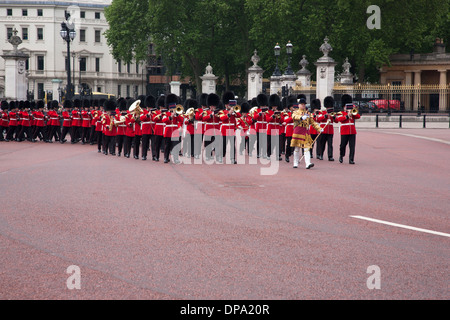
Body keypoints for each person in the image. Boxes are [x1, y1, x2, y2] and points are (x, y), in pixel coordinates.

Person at [290, 98, 323, 169]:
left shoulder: (308, 113)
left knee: (307, 148)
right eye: (302, 104)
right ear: (299, 105)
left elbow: (313, 122)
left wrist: (319, 128)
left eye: (304, 104)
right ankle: (295, 163)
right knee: (297, 148)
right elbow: (294, 117)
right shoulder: (296, 112)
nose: (303, 106)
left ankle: (308, 163)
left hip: (305, 132)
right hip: (298, 131)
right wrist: (301, 117)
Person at [336, 94, 360, 164]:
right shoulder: (341, 113)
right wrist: (347, 116)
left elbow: (358, 116)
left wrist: (352, 113)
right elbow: (339, 119)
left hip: (352, 131)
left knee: (352, 146)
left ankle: (351, 159)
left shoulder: (352, 113)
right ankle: (341, 155)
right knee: (343, 145)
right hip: (344, 131)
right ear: (344, 107)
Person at [220, 91, 240, 164]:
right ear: (225, 105)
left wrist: (234, 112)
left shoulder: (234, 111)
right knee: (224, 145)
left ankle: (233, 158)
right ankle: (222, 157)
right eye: (227, 104)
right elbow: (222, 118)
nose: (228, 105)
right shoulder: (222, 111)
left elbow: (239, 116)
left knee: (232, 145)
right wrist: (229, 113)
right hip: (225, 130)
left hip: (232, 130)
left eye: (229, 104)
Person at [162, 94, 183, 164]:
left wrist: (177, 115)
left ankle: (176, 158)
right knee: (167, 146)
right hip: (168, 131)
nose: (172, 108)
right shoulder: (166, 113)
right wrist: (170, 116)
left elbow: (181, 120)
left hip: (175, 131)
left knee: (175, 146)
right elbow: (164, 120)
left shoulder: (176, 114)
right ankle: (166, 158)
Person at [317, 96, 336, 161]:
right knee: (322, 143)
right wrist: (325, 116)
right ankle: (321, 154)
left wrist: (333, 117)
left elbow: (336, 121)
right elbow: (318, 119)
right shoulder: (322, 112)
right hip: (323, 130)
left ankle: (330, 156)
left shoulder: (333, 113)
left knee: (330, 144)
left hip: (330, 131)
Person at [266, 94, 282, 161]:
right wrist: (272, 116)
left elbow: (282, 121)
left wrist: (279, 117)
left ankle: (278, 155)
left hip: (277, 128)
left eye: (276, 106)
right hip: (271, 128)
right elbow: (267, 120)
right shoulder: (268, 112)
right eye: (274, 106)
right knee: (270, 143)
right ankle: (269, 154)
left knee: (278, 143)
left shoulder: (279, 112)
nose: (275, 107)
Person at [140, 95, 156, 161]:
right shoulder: (143, 112)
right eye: (149, 107)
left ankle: (154, 155)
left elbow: (156, 119)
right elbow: (141, 118)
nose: (150, 108)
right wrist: (147, 115)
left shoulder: (155, 112)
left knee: (153, 144)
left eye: (151, 107)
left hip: (152, 129)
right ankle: (144, 155)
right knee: (145, 143)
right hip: (145, 129)